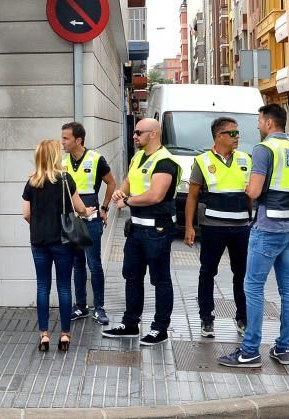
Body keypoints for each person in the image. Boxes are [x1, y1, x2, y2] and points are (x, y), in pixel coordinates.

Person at [218, 104, 289, 368]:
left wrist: (248, 186)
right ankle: (283, 349)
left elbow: (255, 192)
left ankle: (249, 351)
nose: (257, 126)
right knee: (288, 289)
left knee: (253, 287)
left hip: (268, 228)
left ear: (269, 124)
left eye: (259, 121)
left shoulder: (264, 149)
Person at [103, 118, 181, 346]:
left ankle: (160, 328)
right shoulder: (138, 157)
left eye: (139, 132)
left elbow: (156, 195)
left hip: (157, 229)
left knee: (160, 279)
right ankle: (130, 324)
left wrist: (127, 200)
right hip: (136, 228)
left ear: (154, 134)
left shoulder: (165, 161)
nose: (134, 136)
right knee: (132, 276)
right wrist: (120, 192)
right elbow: (129, 179)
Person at [22, 139, 95, 352]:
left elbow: (26, 213)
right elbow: (80, 208)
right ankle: (65, 335)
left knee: (42, 287)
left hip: (39, 241)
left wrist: (38, 225)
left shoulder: (32, 182)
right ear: (55, 156)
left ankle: (44, 335)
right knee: (64, 286)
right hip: (63, 242)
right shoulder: (65, 179)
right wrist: (86, 213)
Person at [184, 117, 252, 338]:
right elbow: (192, 196)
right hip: (213, 226)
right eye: (232, 133)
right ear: (219, 136)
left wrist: (254, 222)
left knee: (241, 274)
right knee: (207, 272)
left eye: (238, 133)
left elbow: (251, 195)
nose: (237, 137)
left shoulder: (245, 159)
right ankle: (206, 319)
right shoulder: (202, 161)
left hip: (241, 227)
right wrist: (189, 227)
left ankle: (242, 318)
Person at [61, 122, 117, 326]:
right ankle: (81, 306)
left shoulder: (96, 159)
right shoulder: (62, 162)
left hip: (91, 220)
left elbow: (112, 182)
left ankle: (99, 308)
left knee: (94, 264)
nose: (62, 142)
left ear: (78, 140)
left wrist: (104, 208)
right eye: (62, 138)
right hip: (71, 220)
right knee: (77, 264)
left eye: (66, 138)